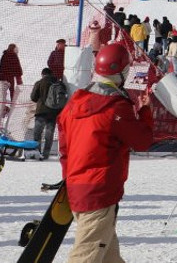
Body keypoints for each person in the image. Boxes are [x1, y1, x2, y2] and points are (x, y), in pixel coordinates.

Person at [56, 41, 154, 261]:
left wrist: (70, 179)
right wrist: (145, 112)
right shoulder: (115, 107)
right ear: (122, 72)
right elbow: (142, 141)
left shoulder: (74, 104)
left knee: (108, 255)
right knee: (86, 255)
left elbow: (64, 149)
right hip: (99, 191)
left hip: (78, 186)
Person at [29, 66, 68, 159]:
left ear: (42, 74)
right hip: (53, 112)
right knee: (49, 134)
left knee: (37, 133)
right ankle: (46, 154)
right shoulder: (58, 83)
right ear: (51, 74)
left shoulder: (39, 83)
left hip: (41, 111)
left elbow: (33, 97)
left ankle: (37, 152)